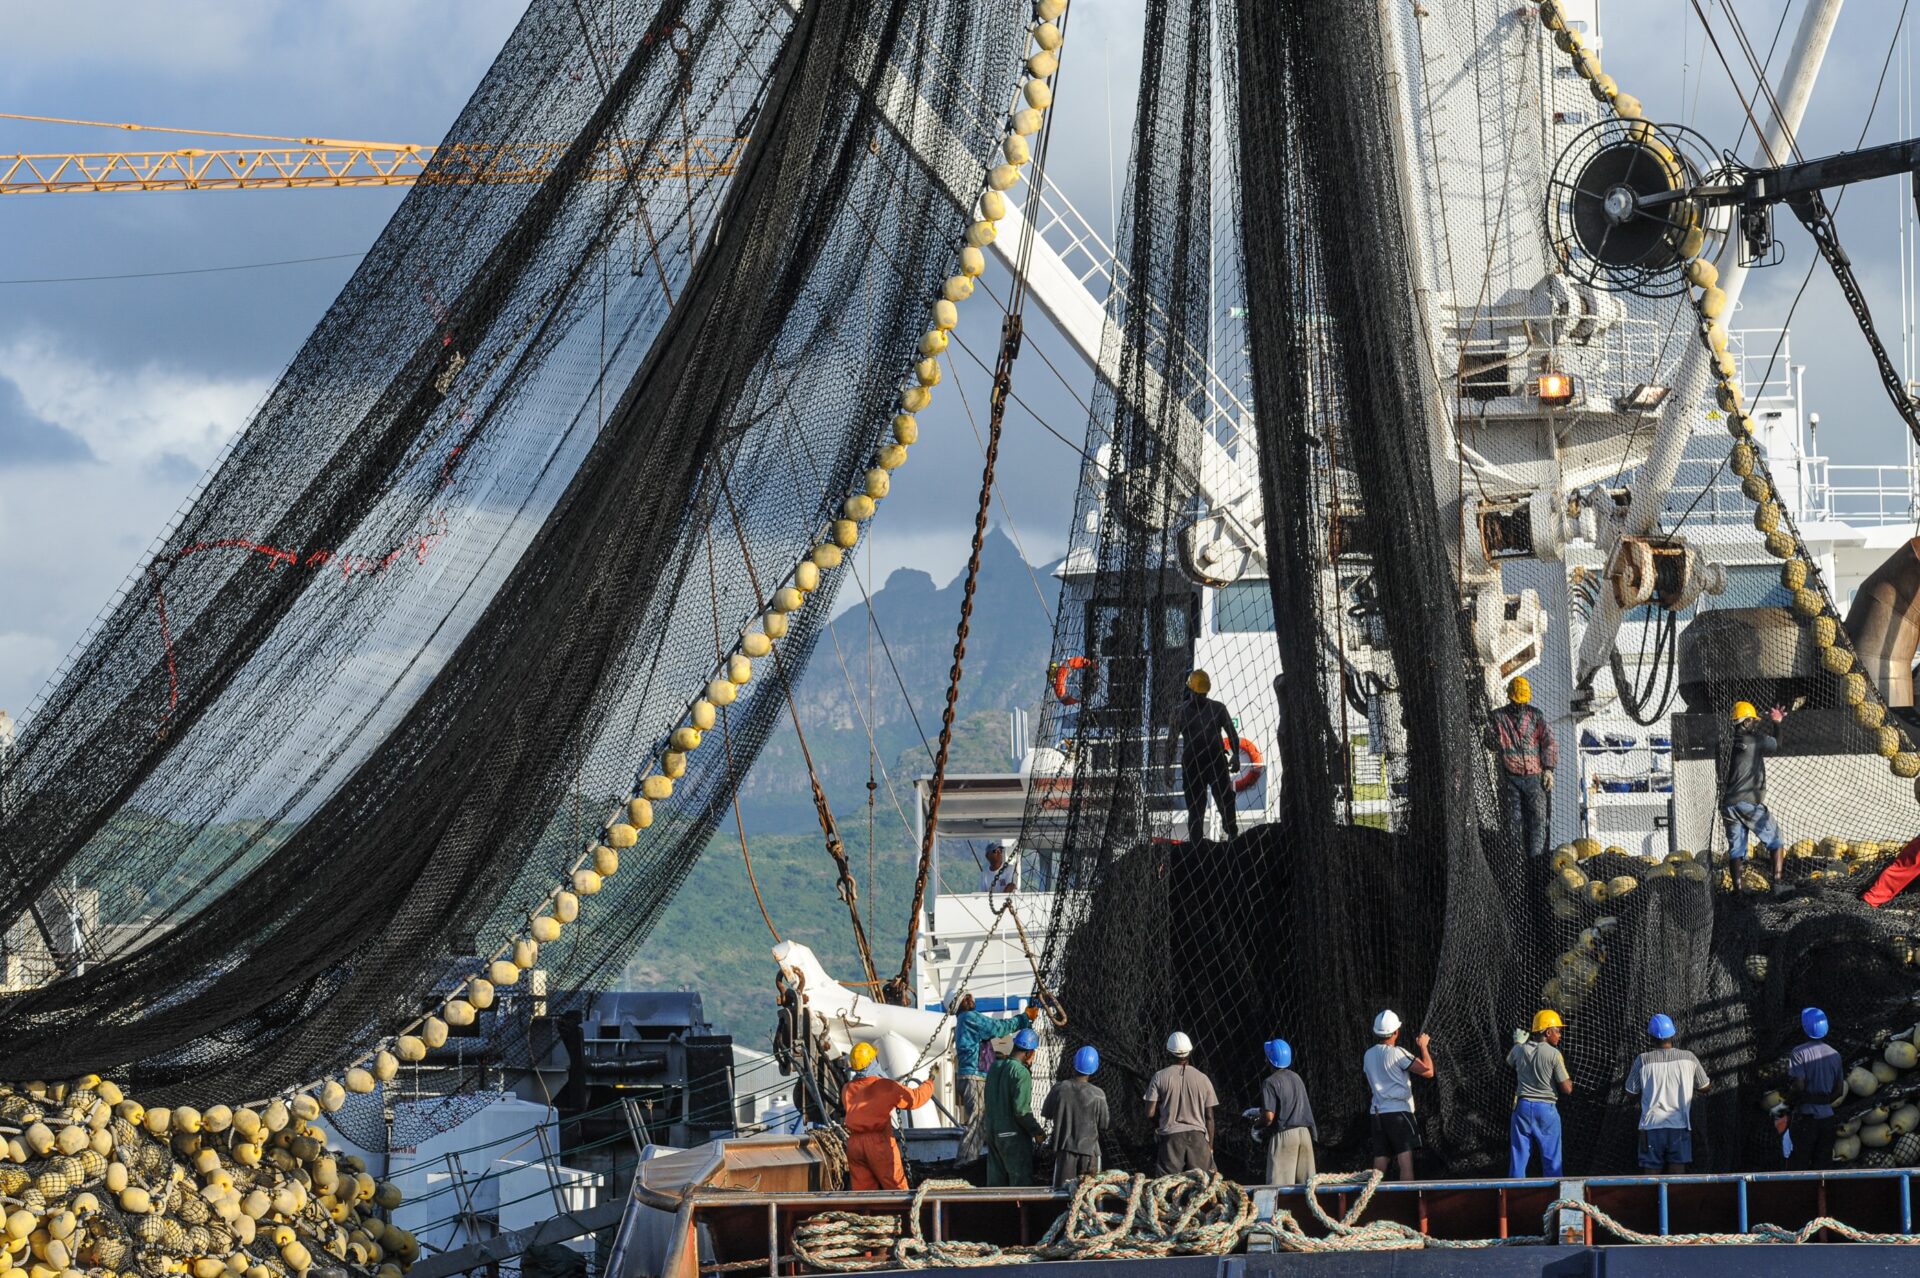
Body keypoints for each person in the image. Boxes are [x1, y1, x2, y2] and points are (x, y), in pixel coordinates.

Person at [952, 993, 1038, 1164]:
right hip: (974, 1077)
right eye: (967, 998)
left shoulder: (964, 1021)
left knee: (981, 1121)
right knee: (977, 1121)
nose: (971, 999)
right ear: (961, 1004)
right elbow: (997, 1028)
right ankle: (965, 1163)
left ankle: (971, 1160)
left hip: (971, 1076)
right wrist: (1024, 1019)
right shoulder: (970, 1018)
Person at [841, 1042, 935, 1191]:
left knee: (862, 1192)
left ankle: (866, 1214)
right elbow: (915, 1098)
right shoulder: (885, 1086)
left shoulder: (847, 1089)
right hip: (878, 1144)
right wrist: (930, 1082)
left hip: (854, 1145)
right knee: (896, 1187)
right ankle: (902, 1214)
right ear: (872, 1062)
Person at [1624, 1013, 1710, 1173]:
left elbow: (1630, 1092)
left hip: (1651, 1126)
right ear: (1673, 1034)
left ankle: (1651, 1198)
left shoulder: (1642, 1060)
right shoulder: (1689, 1058)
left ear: (1650, 1036)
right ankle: (1676, 1199)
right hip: (1679, 1125)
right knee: (1677, 1175)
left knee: (1650, 1175)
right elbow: (1705, 1086)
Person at [1483, 677, 1557, 862]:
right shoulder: (1497, 717)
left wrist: (1548, 769)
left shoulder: (1536, 716)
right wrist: (1488, 732)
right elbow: (1489, 743)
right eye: (1517, 701)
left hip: (1535, 778)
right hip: (1510, 779)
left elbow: (1549, 742)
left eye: (1523, 702)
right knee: (1513, 822)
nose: (1520, 705)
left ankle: (1536, 861)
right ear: (1510, 698)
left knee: (1538, 820)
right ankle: (1516, 861)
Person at [1723, 700, 1788, 891]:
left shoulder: (1727, 743)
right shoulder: (1754, 740)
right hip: (1748, 803)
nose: (1755, 724)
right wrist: (1776, 721)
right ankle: (1778, 885)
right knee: (1776, 840)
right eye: (1752, 721)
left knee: (1737, 850)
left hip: (1728, 804)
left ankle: (1738, 892)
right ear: (1744, 722)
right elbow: (1777, 744)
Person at [1363, 1010, 1434, 1181]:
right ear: (1396, 1032)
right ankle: (1405, 1203)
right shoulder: (1398, 1053)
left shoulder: (1368, 1055)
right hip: (1399, 1114)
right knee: (1405, 1162)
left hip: (1377, 1114)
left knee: (1380, 1162)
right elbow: (1428, 1071)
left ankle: (1370, 1202)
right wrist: (1423, 1046)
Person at [1170, 671, 1240, 841]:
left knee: (1226, 802)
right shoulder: (1180, 712)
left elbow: (1232, 733)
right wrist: (1167, 768)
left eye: (1203, 695)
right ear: (1191, 692)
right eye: (1198, 694)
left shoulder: (1218, 708)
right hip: (1193, 766)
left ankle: (1232, 835)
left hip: (1216, 763)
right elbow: (1170, 742)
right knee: (1195, 809)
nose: (1200, 697)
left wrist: (1236, 755)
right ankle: (1197, 844)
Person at [1508, 1009, 1572, 1178]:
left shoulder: (1519, 1049)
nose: (1559, 1035)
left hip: (1521, 1108)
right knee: (1552, 1159)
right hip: (1545, 1109)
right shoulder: (1554, 1054)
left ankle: (1513, 1198)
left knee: (1518, 1158)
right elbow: (1567, 1088)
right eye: (1557, 1031)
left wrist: (1517, 1044)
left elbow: (1509, 1062)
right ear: (1547, 1031)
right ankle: (1556, 1200)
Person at [1144, 1031, 1219, 1174]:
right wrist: (1209, 1146)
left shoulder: (1159, 1077)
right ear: (1190, 1051)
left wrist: (1160, 1125)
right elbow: (1209, 1117)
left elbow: (1149, 1113)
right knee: (1203, 1186)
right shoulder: (1203, 1079)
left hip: (1171, 1140)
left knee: (1166, 1187)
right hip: (1198, 1140)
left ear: (1169, 1052)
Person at [1784, 1006, 1845, 1169]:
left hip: (1806, 1118)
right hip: (1827, 1120)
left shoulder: (1798, 1053)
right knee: (1823, 1165)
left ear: (1804, 1028)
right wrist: (1823, 1102)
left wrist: (1786, 1104)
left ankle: (1800, 1194)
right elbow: (1839, 1091)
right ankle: (1822, 1194)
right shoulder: (1835, 1055)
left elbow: (1798, 1085)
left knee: (1800, 1164)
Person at [984, 1027, 1046, 1185]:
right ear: (1029, 1053)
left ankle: (997, 1210)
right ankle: (1022, 1211)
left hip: (991, 1133)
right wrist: (1037, 1132)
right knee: (1021, 1184)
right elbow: (1021, 1110)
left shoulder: (994, 1068)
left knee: (996, 1184)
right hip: (1012, 1136)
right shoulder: (1021, 1073)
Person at [1042, 1045, 1110, 1186]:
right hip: (1090, 1152)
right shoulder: (1098, 1094)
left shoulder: (1059, 1089)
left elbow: (1047, 1113)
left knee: (1062, 1192)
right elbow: (1104, 1124)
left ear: (1074, 1063)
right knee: (1091, 1194)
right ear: (1095, 1067)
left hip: (1065, 1152)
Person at [1257, 1038, 1317, 1186]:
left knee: (1279, 1188)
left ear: (1269, 1060)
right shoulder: (1296, 1077)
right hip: (1305, 1135)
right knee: (1306, 1187)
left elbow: (1269, 1117)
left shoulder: (1270, 1082)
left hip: (1285, 1136)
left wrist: (1257, 1126)